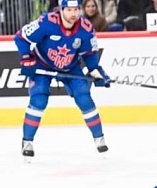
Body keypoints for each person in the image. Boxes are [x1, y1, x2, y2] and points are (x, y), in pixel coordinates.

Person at [14, 0, 112, 160]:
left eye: (76, 9)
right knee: (38, 99)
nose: (73, 14)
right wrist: (26, 59)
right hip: (42, 65)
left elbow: (89, 55)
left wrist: (96, 72)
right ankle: (27, 142)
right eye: (69, 10)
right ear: (61, 9)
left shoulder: (85, 28)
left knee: (84, 97)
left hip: (70, 67)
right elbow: (21, 37)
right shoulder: (46, 22)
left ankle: (99, 138)